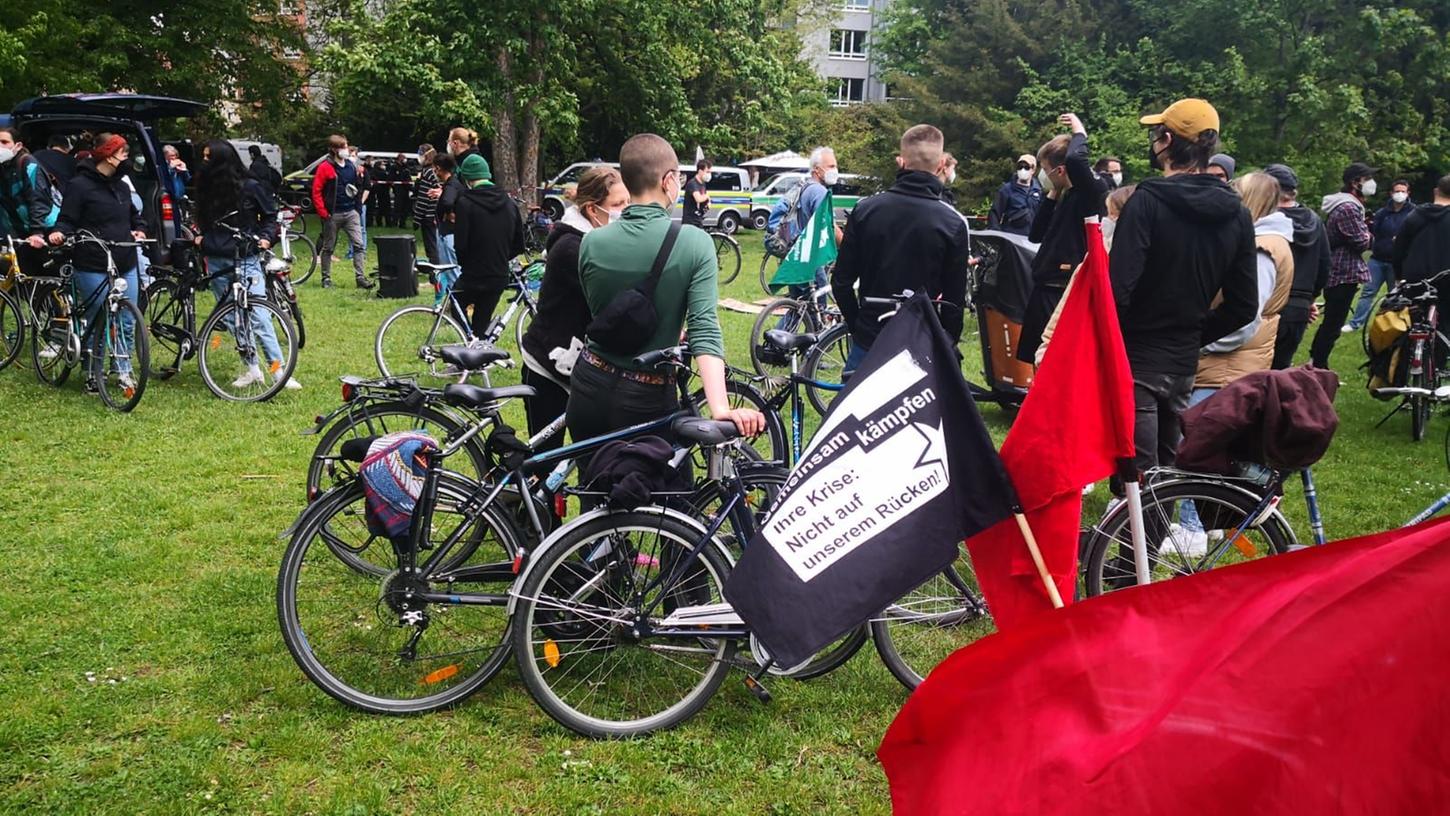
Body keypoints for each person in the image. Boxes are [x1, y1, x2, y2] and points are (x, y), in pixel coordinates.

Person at [570, 132, 764, 446]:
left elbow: (605, 312)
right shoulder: (694, 242)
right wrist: (720, 407)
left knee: (593, 487)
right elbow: (704, 327)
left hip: (589, 383)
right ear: (668, 180)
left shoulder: (592, 241)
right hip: (646, 393)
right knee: (665, 492)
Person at [1108, 98, 1257, 478]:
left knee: (1137, 478)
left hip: (1137, 356)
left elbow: (1116, 290)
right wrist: (1192, 332)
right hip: (1182, 361)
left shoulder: (1146, 202)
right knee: (1166, 470)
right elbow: (1243, 305)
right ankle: (1153, 541)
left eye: (1157, 134)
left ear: (1167, 140)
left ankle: (1139, 538)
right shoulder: (1238, 213)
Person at [831, 124, 972, 374]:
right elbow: (954, 301)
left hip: (870, 337)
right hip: (921, 340)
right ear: (941, 165)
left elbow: (841, 281)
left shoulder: (866, 210)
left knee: (857, 413)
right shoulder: (952, 222)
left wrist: (858, 325)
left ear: (900, 161)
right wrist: (946, 342)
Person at [520, 166, 628, 451]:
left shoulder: (598, 241)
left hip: (578, 364)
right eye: (618, 205)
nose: (625, 211)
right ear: (593, 210)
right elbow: (613, 301)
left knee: (590, 452)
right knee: (546, 459)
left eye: (628, 202)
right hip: (547, 364)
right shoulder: (573, 247)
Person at [192, 140, 299, 390]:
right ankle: (251, 368)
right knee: (232, 316)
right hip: (217, 259)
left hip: (246, 256)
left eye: (209, 158)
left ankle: (277, 371)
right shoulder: (206, 188)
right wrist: (201, 238)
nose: (204, 163)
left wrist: (266, 237)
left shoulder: (251, 188)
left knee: (259, 315)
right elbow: (202, 219)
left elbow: (271, 216)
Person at [44, 134, 145, 392]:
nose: (127, 159)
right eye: (123, 154)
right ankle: (92, 369)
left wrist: (140, 230)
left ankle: (123, 369)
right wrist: (59, 233)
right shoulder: (79, 186)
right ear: (108, 155)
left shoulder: (122, 186)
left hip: (124, 259)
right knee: (99, 317)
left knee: (126, 317)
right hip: (91, 260)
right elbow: (67, 219)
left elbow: (135, 217)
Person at [1018, 112, 1109, 363]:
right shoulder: (1065, 194)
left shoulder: (1091, 191)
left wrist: (1080, 132)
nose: (1042, 175)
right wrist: (1053, 193)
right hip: (1044, 286)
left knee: (1053, 359)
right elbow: (1036, 234)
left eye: (1046, 170)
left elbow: (1076, 160)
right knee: (1035, 358)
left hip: (1062, 288)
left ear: (1060, 169)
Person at [1307, 162, 1375, 368]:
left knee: (1333, 322)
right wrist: (1370, 235)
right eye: (1367, 179)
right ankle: (1318, 363)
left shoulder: (1349, 206)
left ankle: (1318, 361)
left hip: (1342, 270)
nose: (1372, 183)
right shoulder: (1348, 208)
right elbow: (1361, 241)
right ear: (1355, 183)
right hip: (1342, 272)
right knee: (1333, 324)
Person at [1263, 163, 1330, 369]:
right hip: (1298, 307)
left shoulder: (1265, 220)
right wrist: (1310, 299)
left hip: (1266, 304)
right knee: (1280, 369)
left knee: (1253, 371)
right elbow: (1324, 265)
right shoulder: (1314, 221)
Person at [450, 154, 524, 337]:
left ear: (467, 178)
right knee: (482, 320)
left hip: (473, 273)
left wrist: (467, 263)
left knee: (456, 304)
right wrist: (499, 257)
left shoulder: (465, 203)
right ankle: (479, 350)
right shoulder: (510, 203)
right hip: (499, 273)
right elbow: (519, 244)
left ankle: (470, 345)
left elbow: (461, 244)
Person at [766, 146, 839, 308]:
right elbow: (830, 227)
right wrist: (850, 246)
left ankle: (777, 333)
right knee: (817, 307)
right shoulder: (818, 191)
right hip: (808, 259)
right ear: (817, 170)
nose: (835, 170)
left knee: (800, 308)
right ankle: (782, 332)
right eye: (831, 166)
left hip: (797, 256)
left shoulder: (805, 186)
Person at [1350, 179, 1415, 330]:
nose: (1400, 194)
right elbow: (1373, 233)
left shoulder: (1413, 213)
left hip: (1398, 262)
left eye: (1403, 191)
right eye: (1397, 191)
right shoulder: (1382, 213)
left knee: (1395, 295)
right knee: (1368, 292)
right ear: (1391, 193)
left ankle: (1390, 325)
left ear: (1408, 193)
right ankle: (1356, 323)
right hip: (1377, 259)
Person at [311, 135, 373, 289]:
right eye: (343, 147)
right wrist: (324, 213)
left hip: (351, 212)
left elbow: (356, 188)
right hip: (333, 214)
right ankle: (326, 278)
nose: (346, 149)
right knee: (329, 247)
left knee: (359, 245)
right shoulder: (325, 167)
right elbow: (316, 191)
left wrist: (357, 209)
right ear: (334, 149)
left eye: (346, 146)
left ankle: (360, 277)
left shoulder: (351, 166)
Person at [1391, 174, 1450, 335]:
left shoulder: (1415, 215)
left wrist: (1398, 275)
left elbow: (1399, 248)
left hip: (1416, 277)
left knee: (1412, 321)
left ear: (1436, 192)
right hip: (1446, 278)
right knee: (1444, 327)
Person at [0, 127, 60, 241]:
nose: (1, 146)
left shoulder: (28, 164)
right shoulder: (3, 168)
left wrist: (37, 232)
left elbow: (38, 199)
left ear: (18, 146)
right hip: (20, 231)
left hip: (46, 230)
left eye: (5, 142)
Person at [986, 153, 1042, 235]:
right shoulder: (1006, 189)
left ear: (1033, 170)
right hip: (1011, 237)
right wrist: (997, 235)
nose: (1023, 170)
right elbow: (994, 214)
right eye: (1020, 167)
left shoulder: (1038, 191)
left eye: (1026, 167)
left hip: (1030, 239)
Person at [412, 148, 442, 264]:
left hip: (429, 215)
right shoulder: (436, 171)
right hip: (436, 214)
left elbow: (423, 198)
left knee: (431, 246)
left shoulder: (427, 172)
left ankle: (434, 272)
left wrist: (417, 219)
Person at [433, 153, 459, 267]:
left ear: (438, 168)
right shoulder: (451, 184)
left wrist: (448, 214)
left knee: (450, 268)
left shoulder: (450, 186)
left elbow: (447, 202)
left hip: (449, 233)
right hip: (450, 232)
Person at [683, 159, 711, 227]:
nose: (709, 174)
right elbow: (698, 198)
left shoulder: (703, 184)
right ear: (700, 171)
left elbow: (703, 198)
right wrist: (707, 196)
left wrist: (708, 203)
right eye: (707, 172)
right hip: (690, 221)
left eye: (710, 172)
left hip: (698, 219)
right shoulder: (693, 183)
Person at [390, 154, 412, 229]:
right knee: (397, 207)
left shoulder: (406, 167)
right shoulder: (394, 167)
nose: (405, 160)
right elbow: (392, 178)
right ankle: (395, 223)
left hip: (406, 190)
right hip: (398, 189)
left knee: (405, 208)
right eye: (403, 158)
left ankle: (403, 223)